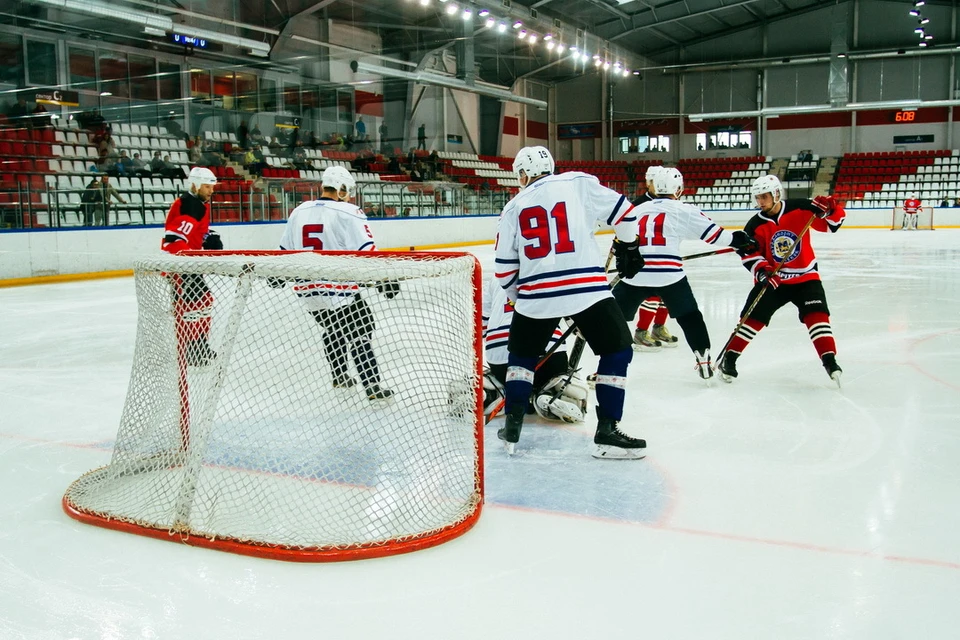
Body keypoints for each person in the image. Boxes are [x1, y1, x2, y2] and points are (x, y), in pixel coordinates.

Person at [494, 145, 646, 459]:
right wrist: (629, 249)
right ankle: (607, 429)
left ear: (522, 175)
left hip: (535, 294)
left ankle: (513, 425)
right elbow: (625, 213)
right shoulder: (577, 182)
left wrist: (521, 300)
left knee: (521, 358)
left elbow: (504, 269)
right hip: (587, 290)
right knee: (617, 350)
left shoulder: (513, 206)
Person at [612, 168, 754, 380]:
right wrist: (740, 240)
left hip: (636, 274)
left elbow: (621, 237)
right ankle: (704, 359)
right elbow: (716, 236)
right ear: (678, 189)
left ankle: (608, 367)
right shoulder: (683, 209)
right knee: (690, 317)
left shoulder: (638, 208)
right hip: (668, 275)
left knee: (615, 319)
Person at [277, 166, 393, 401]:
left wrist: (276, 276)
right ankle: (372, 386)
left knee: (333, 328)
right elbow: (367, 251)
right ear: (340, 189)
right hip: (340, 290)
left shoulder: (299, 211)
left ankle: (339, 375)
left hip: (308, 293)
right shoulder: (349, 211)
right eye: (347, 190)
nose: (348, 195)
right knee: (362, 329)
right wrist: (384, 278)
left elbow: (283, 251)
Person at [717, 175, 846, 386]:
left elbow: (833, 225)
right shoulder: (755, 224)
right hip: (774, 281)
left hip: (806, 277)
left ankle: (830, 361)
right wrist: (763, 271)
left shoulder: (801, 208)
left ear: (776, 194)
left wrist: (831, 209)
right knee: (751, 320)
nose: (760, 202)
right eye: (757, 198)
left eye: (764, 197)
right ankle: (729, 359)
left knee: (818, 316)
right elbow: (749, 254)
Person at [481, 277, 587, 423]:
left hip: (500, 355)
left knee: (504, 376)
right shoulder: (550, 272)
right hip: (547, 353)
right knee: (561, 379)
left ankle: (494, 391)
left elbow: (481, 326)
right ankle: (551, 393)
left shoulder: (495, 278)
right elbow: (576, 321)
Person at [161, 167, 223, 366]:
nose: (211, 191)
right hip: (182, 265)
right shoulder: (190, 205)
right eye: (207, 186)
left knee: (204, 302)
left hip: (189, 263)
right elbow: (173, 239)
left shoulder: (197, 204)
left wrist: (207, 237)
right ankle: (190, 348)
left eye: (212, 187)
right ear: (195, 185)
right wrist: (187, 260)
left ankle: (199, 344)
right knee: (190, 308)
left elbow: (192, 232)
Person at [630, 165, 679, 351]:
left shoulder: (670, 203)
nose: (655, 185)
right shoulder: (639, 204)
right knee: (652, 296)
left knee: (666, 294)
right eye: (651, 181)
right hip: (645, 260)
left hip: (665, 257)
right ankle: (642, 331)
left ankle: (658, 327)